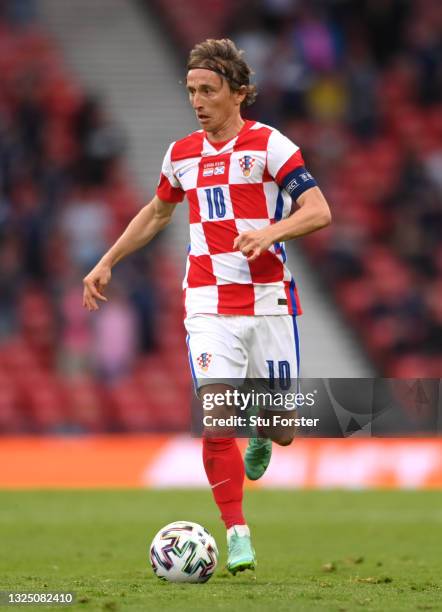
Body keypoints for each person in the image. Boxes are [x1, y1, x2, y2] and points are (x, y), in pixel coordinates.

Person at [83, 38, 331, 574]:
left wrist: (272, 231)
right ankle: (237, 532)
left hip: (268, 300)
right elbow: (155, 213)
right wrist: (108, 260)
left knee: (285, 426)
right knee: (218, 414)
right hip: (206, 302)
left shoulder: (272, 146)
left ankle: (266, 428)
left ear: (238, 93)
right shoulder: (181, 154)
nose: (197, 100)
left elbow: (318, 210)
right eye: (192, 90)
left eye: (208, 90)